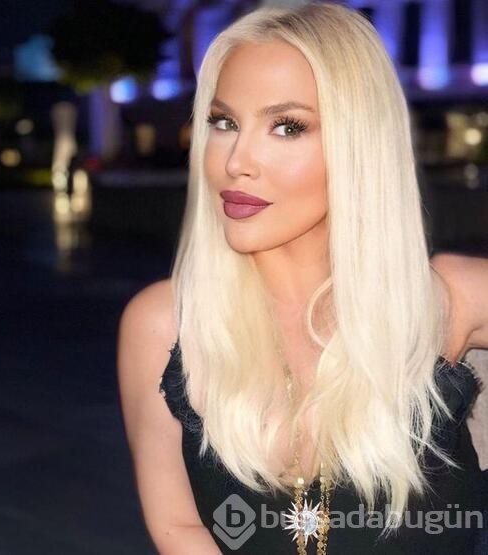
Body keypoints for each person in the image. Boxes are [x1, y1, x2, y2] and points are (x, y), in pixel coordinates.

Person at [117, 3, 488, 553]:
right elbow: (179, 527)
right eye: (224, 122)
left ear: (359, 143)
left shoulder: (449, 299)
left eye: (287, 127)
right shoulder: (163, 324)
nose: (236, 160)